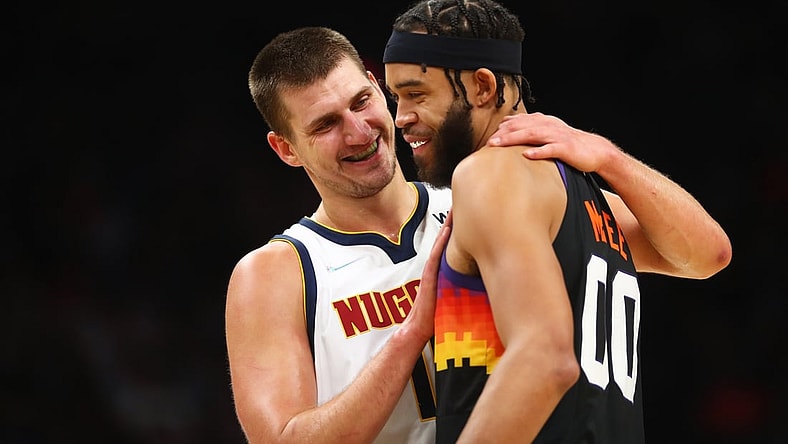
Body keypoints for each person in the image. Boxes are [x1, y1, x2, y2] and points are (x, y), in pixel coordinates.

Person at [382, 0, 733, 443]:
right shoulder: (573, 193)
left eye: (416, 94)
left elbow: (544, 357)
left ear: (483, 88)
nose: (401, 118)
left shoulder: (488, 175)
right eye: (396, 97)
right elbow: (710, 255)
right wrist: (608, 159)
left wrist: (605, 153)